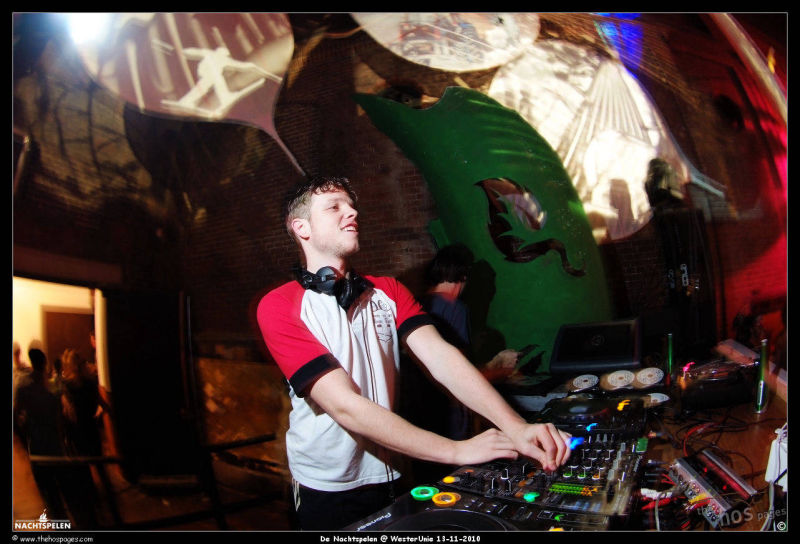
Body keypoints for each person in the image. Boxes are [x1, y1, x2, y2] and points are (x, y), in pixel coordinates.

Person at [256, 176, 571, 530]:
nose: (352, 212)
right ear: (301, 228)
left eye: (351, 205)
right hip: (329, 486)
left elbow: (442, 358)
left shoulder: (388, 291)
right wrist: (456, 450)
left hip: (394, 470)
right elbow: (344, 405)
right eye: (334, 207)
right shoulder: (279, 306)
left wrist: (515, 426)